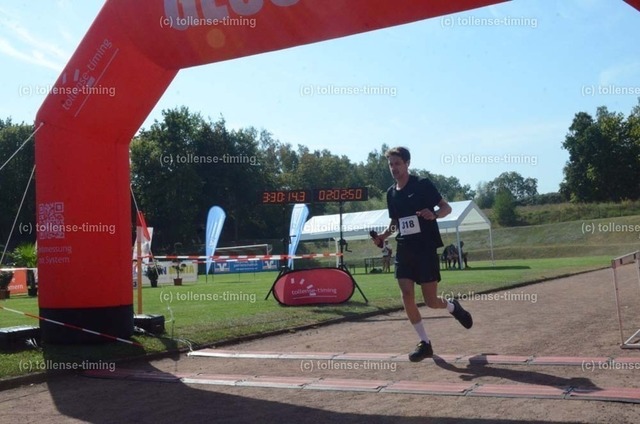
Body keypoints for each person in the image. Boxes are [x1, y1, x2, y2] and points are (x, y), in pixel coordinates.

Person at [372, 146, 473, 362]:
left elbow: (446, 208)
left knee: (431, 301)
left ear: (407, 164)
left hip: (425, 248)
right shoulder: (391, 193)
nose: (394, 168)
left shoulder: (422, 184)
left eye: (398, 163)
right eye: (391, 164)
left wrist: (434, 214)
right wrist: (383, 236)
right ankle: (425, 343)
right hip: (404, 248)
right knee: (406, 294)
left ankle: (453, 307)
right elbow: (395, 222)